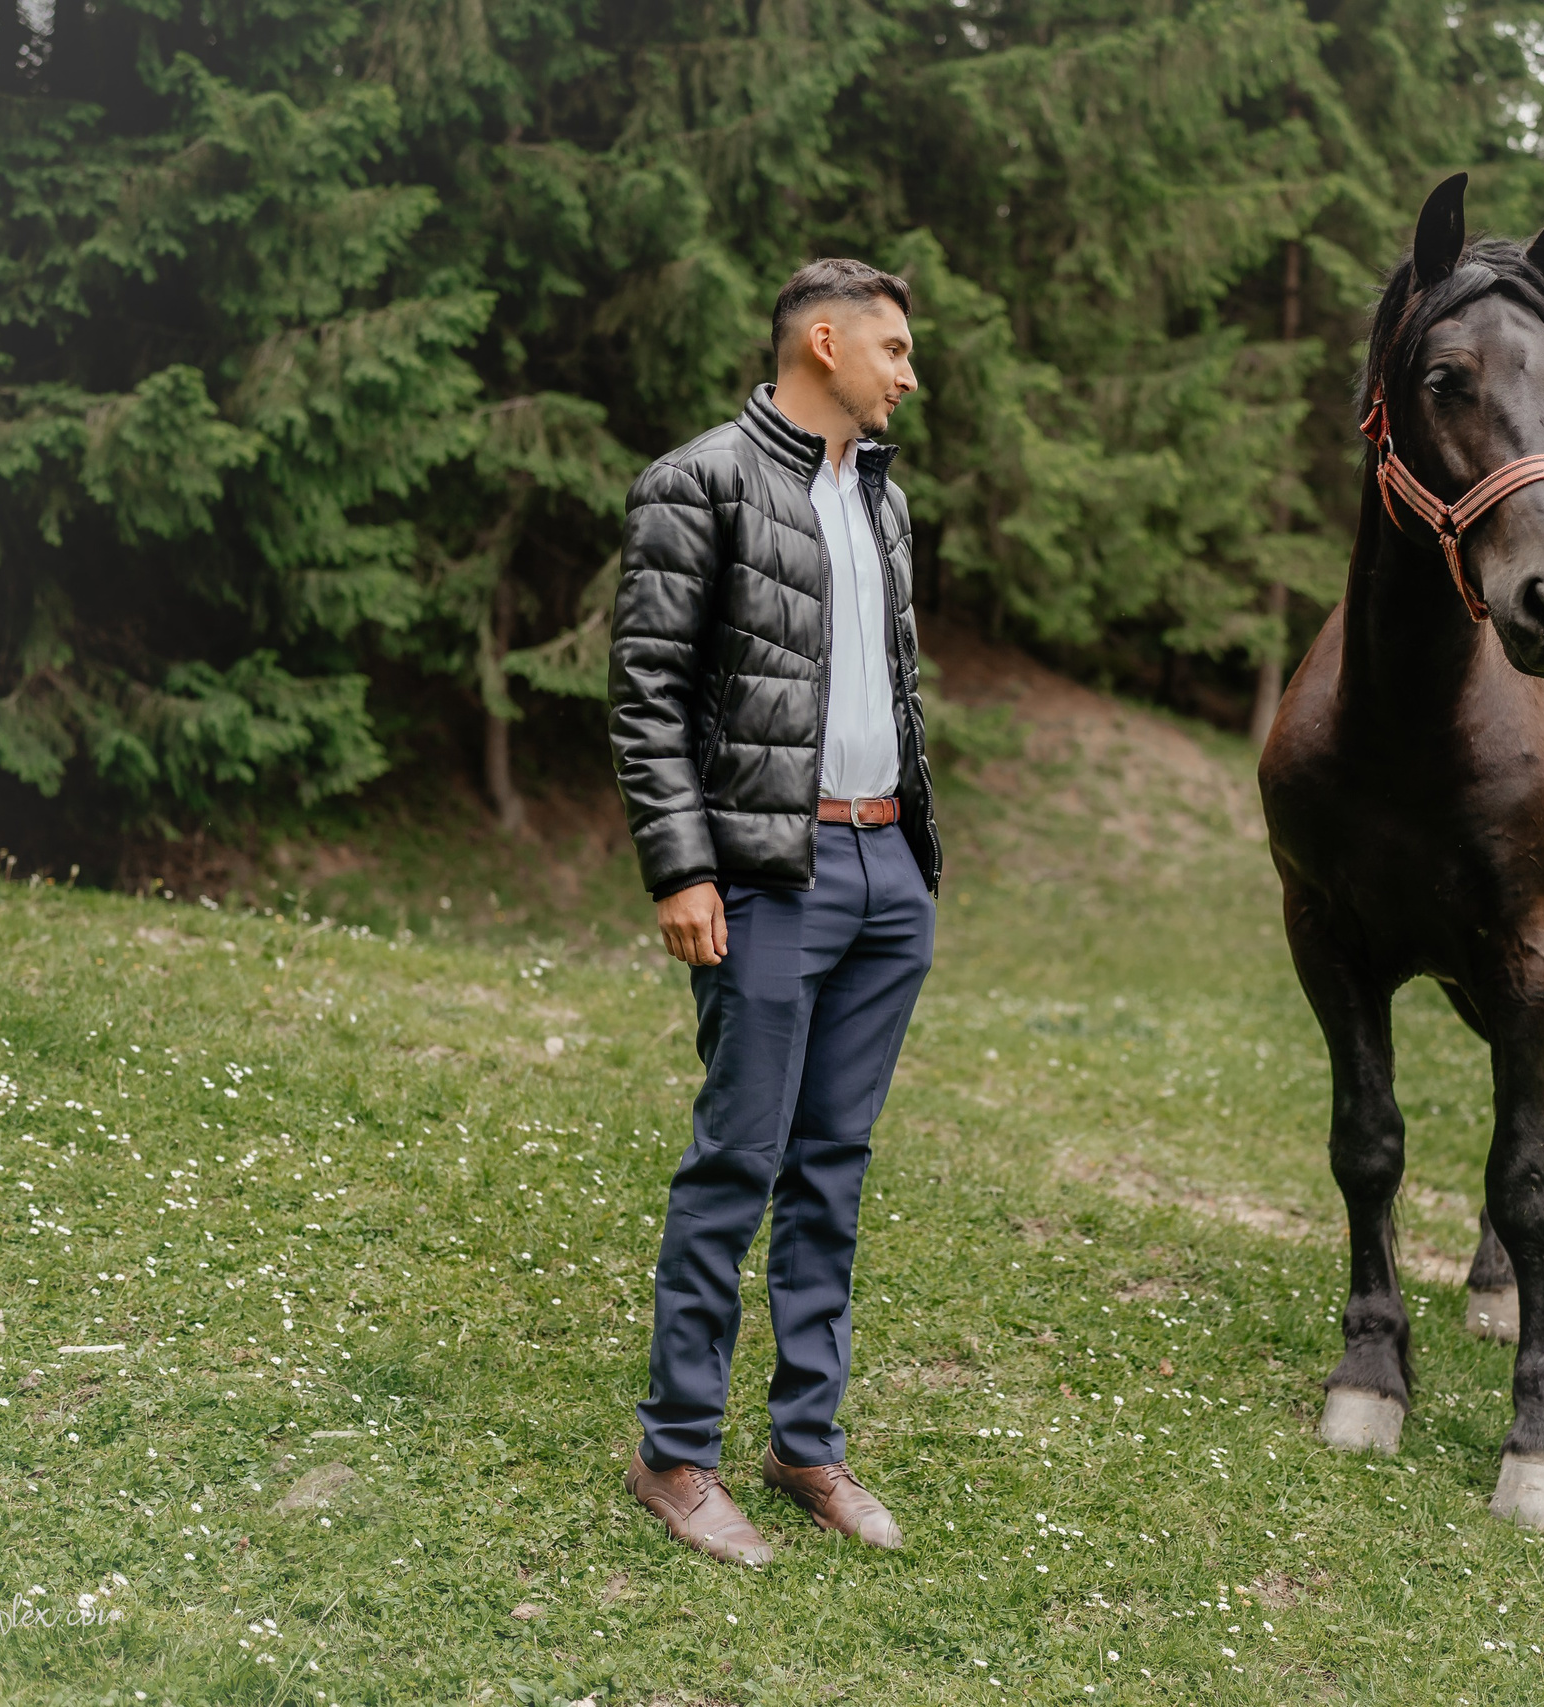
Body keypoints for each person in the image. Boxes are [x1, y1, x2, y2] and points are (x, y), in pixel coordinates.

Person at [606, 258, 940, 1567]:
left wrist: (912, 854)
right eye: (896, 348)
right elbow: (646, 696)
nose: (910, 373)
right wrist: (682, 871)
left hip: (884, 876)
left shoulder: (884, 501)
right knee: (736, 1164)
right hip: (763, 876)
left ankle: (808, 1445)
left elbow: (891, 691)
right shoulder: (699, 482)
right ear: (824, 342)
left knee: (833, 1169)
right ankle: (675, 1456)